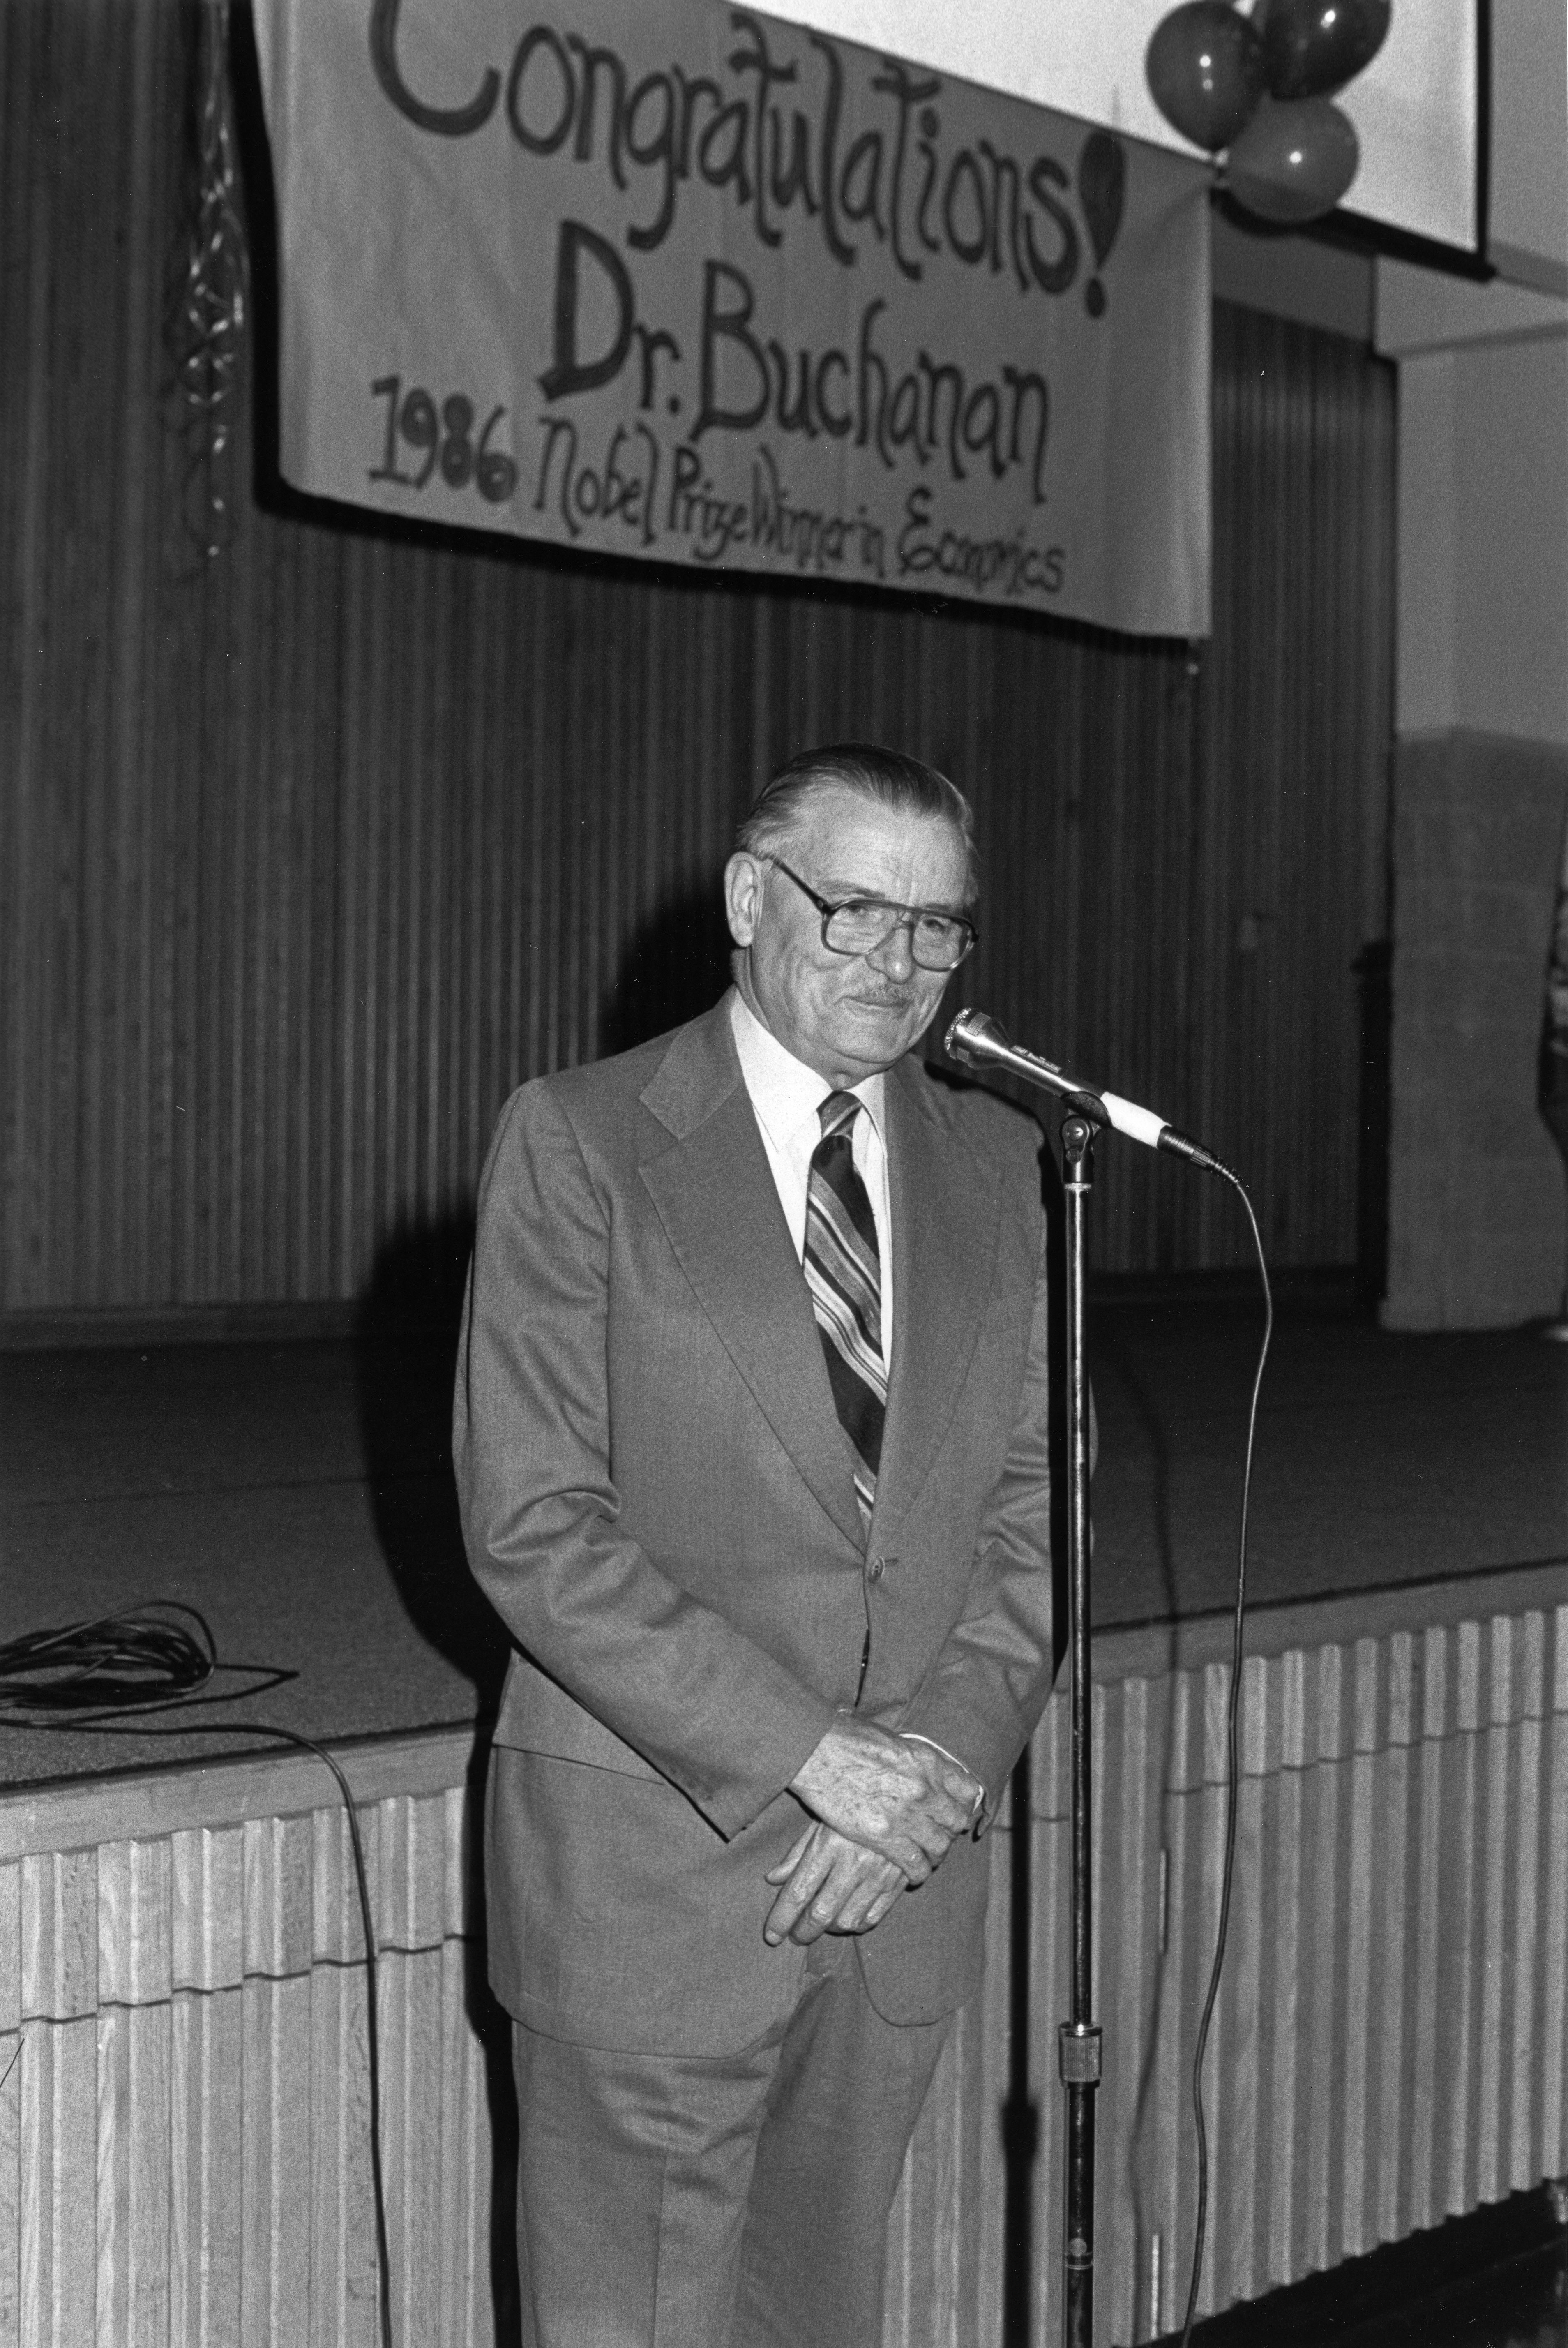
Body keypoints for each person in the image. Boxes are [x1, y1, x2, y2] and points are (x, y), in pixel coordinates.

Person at [454, 742, 1055, 2348]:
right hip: (652, 1890)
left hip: (895, 1892)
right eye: (857, 907)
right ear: (749, 897)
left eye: (940, 926)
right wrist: (815, 1753)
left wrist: (922, 1771)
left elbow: (1026, 1529)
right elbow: (532, 1522)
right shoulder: (579, 1142)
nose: (902, 961)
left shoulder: (1005, 1170)